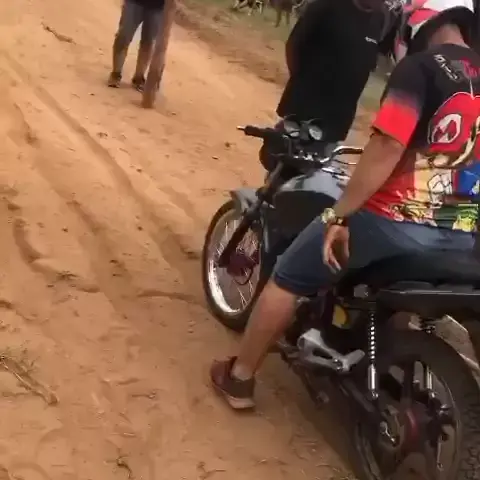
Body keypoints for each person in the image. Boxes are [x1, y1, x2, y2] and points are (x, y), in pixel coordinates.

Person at [211, 0, 480, 410]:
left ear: (417, 21)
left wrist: (339, 214)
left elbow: (387, 145)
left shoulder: (422, 68)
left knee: (288, 275)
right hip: (460, 234)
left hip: (394, 222)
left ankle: (239, 378)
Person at [259, 0, 390, 177]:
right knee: (284, 169)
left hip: (338, 118)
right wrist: (303, 82)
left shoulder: (380, 18)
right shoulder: (326, 5)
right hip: (306, 108)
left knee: (314, 178)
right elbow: (294, 45)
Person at [108, 0, 165, 91]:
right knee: (123, 36)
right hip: (134, 2)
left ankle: (139, 78)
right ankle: (116, 73)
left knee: (148, 42)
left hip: (158, 7)